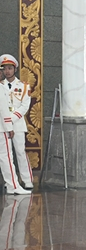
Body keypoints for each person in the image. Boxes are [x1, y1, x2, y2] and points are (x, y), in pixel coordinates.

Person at [0, 55, 33, 191]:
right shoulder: (0, 85)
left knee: (20, 151)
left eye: (10, 68)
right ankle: (11, 181)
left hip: (18, 124)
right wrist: (6, 120)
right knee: (7, 154)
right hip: (2, 124)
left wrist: (11, 118)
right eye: (5, 69)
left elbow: (25, 106)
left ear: (15, 69)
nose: (7, 71)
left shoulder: (24, 86)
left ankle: (27, 179)